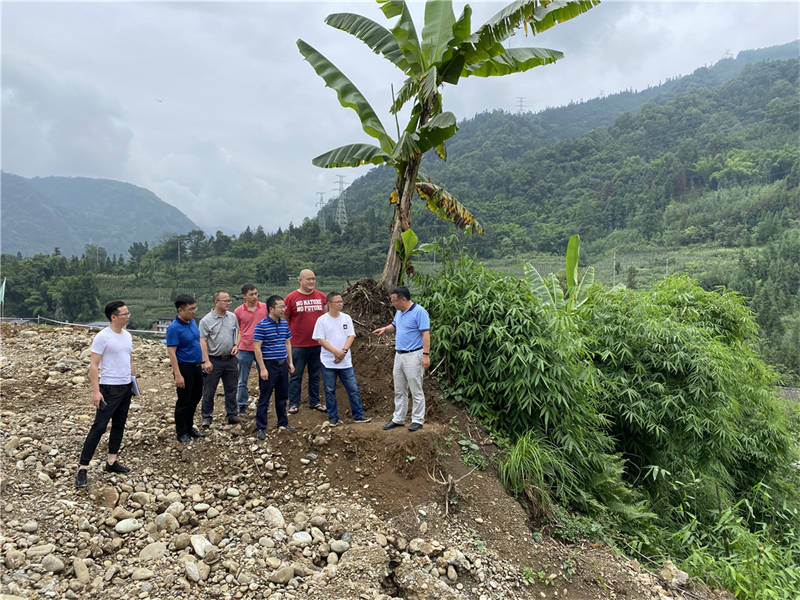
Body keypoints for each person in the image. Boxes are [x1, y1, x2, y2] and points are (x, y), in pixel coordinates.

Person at [75, 301, 136, 488]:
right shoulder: (103, 337)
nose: (128, 316)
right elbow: (93, 365)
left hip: (125, 386)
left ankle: (111, 461)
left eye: (128, 313)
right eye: (125, 314)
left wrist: (133, 381)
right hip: (109, 387)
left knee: (119, 424)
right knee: (99, 427)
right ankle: (83, 468)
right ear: (114, 317)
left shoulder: (127, 336)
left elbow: (129, 358)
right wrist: (96, 391)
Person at [372, 286, 431, 432]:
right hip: (399, 354)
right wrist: (385, 329)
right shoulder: (399, 312)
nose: (393, 304)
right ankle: (398, 418)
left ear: (403, 299)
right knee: (399, 388)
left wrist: (426, 355)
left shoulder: (419, 312)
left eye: (394, 301)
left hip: (414, 354)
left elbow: (426, 334)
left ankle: (417, 419)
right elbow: (395, 325)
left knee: (415, 388)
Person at [312, 292, 371, 426]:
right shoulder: (322, 320)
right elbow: (320, 339)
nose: (340, 304)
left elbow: (351, 336)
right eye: (337, 302)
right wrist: (336, 352)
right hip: (328, 361)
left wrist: (343, 352)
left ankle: (358, 415)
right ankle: (333, 417)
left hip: (345, 361)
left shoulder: (346, 318)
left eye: (341, 301)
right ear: (329, 304)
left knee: (353, 389)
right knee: (329, 390)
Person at [252, 295, 297, 439]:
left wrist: (290, 362)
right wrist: (262, 368)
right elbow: (257, 348)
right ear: (271, 308)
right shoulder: (262, 325)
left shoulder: (284, 324)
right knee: (265, 397)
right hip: (269, 365)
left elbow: (287, 342)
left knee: (282, 396)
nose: (284, 309)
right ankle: (260, 427)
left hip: (282, 364)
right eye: (281, 307)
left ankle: (283, 423)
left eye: (284, 306)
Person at [284, 269, 327, 414]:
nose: (311, 281)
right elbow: (285, 319)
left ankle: (315, 402)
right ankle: (293, 403)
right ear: (300, 280)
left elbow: (326, 317)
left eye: (313, 279)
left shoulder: (321, 296)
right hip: (298, 345)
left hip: (317, 344)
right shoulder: (291, 298)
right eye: (308, 279)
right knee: (295, 375)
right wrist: (286, 340)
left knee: (315, 375)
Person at [166, 294, 206, 443]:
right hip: (184, 367)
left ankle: (189, 427)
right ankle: (181, 431)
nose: (194, 311)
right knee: (184, 400)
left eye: (195, 308)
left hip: (196, 366)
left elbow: (197, 342)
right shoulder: (174, 328)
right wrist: (177, 374)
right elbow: (171, 352)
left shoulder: (192, 322)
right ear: (180, 310)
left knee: (195, 397)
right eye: (191, 309)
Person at [199, 290, 242, 427]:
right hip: (214, 359)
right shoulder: (206, 320)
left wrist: (236, 345)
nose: (228, 303)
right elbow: (202, 341)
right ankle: (206, 416)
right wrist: (206, 361)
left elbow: (238, 332)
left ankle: (232, 414)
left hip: (230, 359)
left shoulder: (232, 317)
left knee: (231, 389)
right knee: (209, 390)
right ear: (216, 302)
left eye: (229, 300)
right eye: (225, 301)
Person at [234, 283, 267, 415]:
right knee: (242, 379)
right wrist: (236, 345)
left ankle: (264, 402)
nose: (254, 297)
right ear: (244, 296)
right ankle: (241, 404)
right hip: (245, 348)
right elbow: (237, 330)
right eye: (251, 294)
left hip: (263, 348)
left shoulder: (264, 308)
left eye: (256, 294)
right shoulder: (238, 311)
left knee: (264, 376)